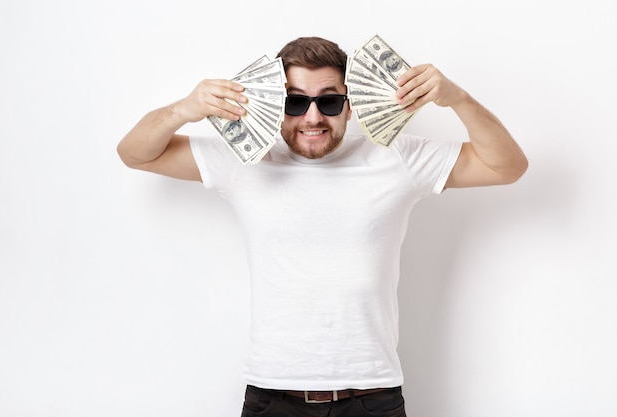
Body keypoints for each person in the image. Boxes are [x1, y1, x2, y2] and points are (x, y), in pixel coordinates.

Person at [117, 36, 528, 417]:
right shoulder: (246, 160)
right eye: (295, 102)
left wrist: (459, 99)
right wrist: (183, 110)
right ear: (274, 103)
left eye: (329, 102)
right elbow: (136, 154)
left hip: (371, 396)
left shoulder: (395, 157)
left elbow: (507, 166)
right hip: (272, 396)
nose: (312, 117)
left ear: (351, 104)